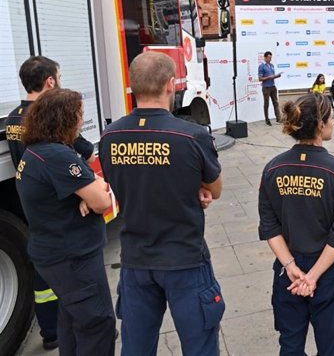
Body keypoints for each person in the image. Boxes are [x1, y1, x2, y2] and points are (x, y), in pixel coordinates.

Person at [99, 52, 225, 355]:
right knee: (200, 346)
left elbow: (127, 182)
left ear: (133, 86)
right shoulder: (192, 136)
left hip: (136, 260)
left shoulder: (110, 135)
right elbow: (216, 188)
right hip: (184, 259)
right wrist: (192, 188)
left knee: (136, 347)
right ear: (171, 85)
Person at [15, 88, 116, 355]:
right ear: (65, 118)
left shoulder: (35, 151)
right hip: (73, 259)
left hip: (55, 255)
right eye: (80, 115)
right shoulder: (58, 157)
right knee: (98, 323)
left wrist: (87, 191)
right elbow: (103, 201)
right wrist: (92, 188)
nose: (82, 121)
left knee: (71, 321)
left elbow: (90, 194)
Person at [5, 56, 95, 350]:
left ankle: (50, 332)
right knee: (70, 274)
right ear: (51, 81)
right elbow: (83, 150)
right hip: (60, 206)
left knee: (43, 274)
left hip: (32, 201)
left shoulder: (13, 117)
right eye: (60, 76)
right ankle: (80, 327)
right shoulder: (51, 117)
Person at [259, 93, 334, 355]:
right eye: (332, 117)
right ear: (320, 125)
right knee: (331, 345)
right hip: (328, 272)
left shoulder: (272, 169)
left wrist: (291, 266)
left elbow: (269, 225)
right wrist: (312, 276)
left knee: (290, 345)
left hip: (287, 272)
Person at [259, 50, 282, 126]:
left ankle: (278, 118)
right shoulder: (262, 66)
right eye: (269, 58)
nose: (270, 59)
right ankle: (267, 120)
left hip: (273, 86)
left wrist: (276, 76)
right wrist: (269, 77)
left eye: (271, 58)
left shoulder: (272, 65)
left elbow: (272, 76)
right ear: (265, 57)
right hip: (266, 88)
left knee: (276, 102)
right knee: (266, 104)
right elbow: (260, 78)